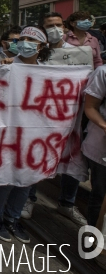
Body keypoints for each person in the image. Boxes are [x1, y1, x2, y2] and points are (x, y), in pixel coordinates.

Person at [20, 13, 88, 225]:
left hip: (69, 117)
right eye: (50, 25)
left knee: (72, 157)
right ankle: (28, 198)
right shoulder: (37, 53)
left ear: (65, 27)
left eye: (58, 25)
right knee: (36, 154)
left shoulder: (78, 54)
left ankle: (67, 203)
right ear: (43, 28)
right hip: (40, 117)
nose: (55, 28)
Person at [0, 26, 50, 244]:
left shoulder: (48, 71)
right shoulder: (8, 65)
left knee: (27, 180)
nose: (24, 43)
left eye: (30, 40)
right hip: (9, 132)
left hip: (34, 134)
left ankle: (12, 218)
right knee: (5, 178)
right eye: (21, 39)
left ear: (41, 46)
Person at [82, 65, 106, 228]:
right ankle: (92, 237)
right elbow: (90, 107)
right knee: (100, 194)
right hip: (101, 146)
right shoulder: (103, 73)